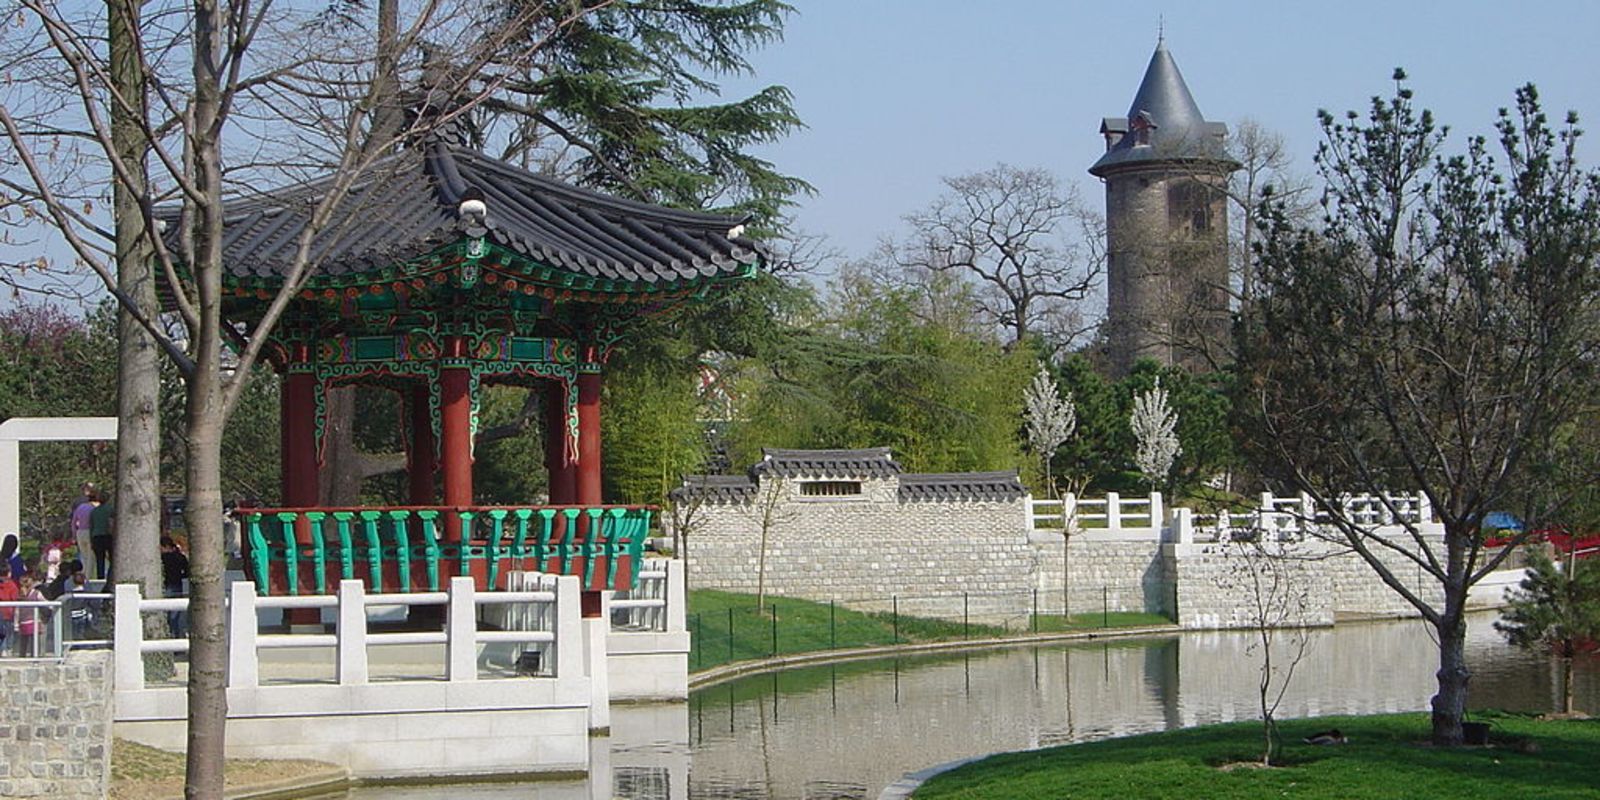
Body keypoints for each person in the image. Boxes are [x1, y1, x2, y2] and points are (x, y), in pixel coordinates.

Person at [161, 537, 190, 637]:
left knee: (165, 613)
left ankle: (168, 635)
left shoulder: (161, 558)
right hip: (177, 585)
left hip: (165, 585)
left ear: (165, 546)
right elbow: (187, 572)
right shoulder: (180, 557)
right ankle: (175, 636)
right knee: (175, 615)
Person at [13, 574, 45, 657]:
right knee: (35, 642)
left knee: (23, 642)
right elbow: (45, 602)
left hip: (23, 621)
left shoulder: (20, 595)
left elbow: (17, 611)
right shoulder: (37, 593)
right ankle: (35, 657)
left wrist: (16, 624)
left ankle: (22, 657)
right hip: (34, 620)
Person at [70, 484, 98, 579]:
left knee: (84, 556)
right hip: (89, 532)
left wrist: (74, 535)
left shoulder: (80, 507)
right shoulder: (94, 509)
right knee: (91, 557)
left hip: (80, 532)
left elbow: (73, 521)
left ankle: (83, 575)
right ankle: (87, 578)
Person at [89, 491, 116, 581]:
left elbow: (91, 526)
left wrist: (91, 540)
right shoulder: (111, 510)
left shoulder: (94, 511)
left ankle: (100, 577)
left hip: (96, 536)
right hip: (108, 536)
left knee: (99, 559)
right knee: (112, 558)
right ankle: (111, 576)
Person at [0, 562, 18, 656]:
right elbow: (14, 598)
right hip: (8, 613)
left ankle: (3, 649)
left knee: (2, 633)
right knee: (8, 632)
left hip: (1, 613)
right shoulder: (11, 585)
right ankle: (8, 649)